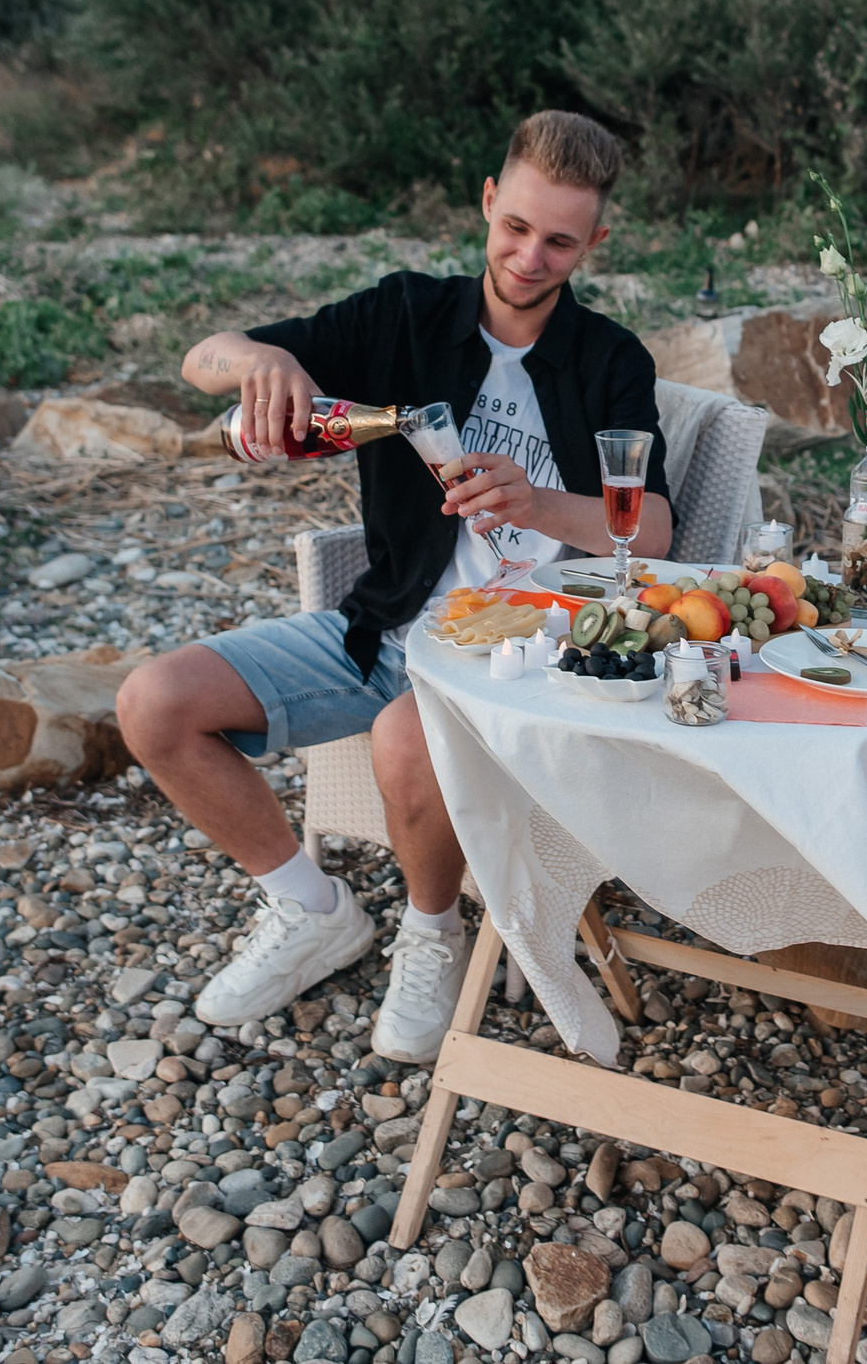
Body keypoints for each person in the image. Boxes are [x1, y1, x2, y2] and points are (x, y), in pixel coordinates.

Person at [115, 110, 674, 1063]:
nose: (531, 257)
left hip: (528, 654)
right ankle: (311, 907)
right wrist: (266, 361)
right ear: (489, 200)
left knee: (405, 734)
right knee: (152, 703)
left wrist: (538, 502)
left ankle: (432, 932)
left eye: (560, 241)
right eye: (517, 227)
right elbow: (201, 357)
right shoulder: (404, 314)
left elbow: (653, 528)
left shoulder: (610, 357)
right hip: (390, 623)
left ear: (596, 242)